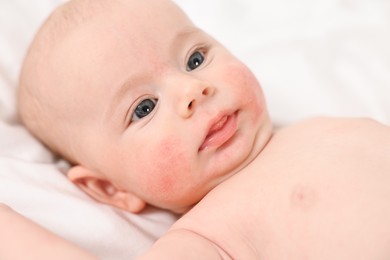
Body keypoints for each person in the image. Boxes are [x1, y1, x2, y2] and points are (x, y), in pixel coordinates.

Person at [8, 0, 390, 258]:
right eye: (144, 108)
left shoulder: (308, 128)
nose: (193, 89)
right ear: (111, 188)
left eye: (194, 59)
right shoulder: (207, 235)